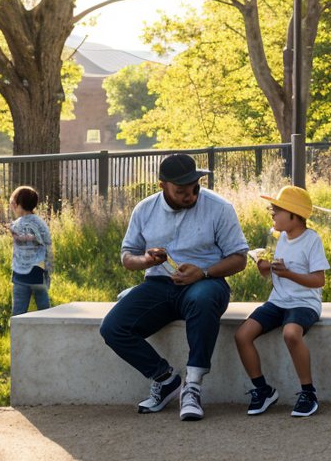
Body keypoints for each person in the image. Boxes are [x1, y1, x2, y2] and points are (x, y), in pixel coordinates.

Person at [101, 153, 252, 422]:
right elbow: (127, 257)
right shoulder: (144, 209)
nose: (191, 196)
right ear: (163, 185)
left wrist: (204, 272)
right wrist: (146, 260)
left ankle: (192, 388)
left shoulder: (219, 208)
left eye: (194, 188)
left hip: (207, 283)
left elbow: (239, 259)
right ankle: (165, 378)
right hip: (159, 284)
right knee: (112, 328)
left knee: (203, 299)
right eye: (181, 191)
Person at [235, 185, 331, 417]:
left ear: (294, 215)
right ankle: (263, 390)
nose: (272, 213)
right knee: (242, 335)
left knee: (290, 334)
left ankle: (308, 393)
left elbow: (319, 281)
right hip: (278, 302)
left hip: (304, 302)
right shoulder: (279, 238)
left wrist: (288, 274)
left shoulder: (311, 240)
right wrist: (264, 267)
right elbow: (271, 272)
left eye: (276, 209)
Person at [9, 185, 53, 316]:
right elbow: (48, 247)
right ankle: (48, 331)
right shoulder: (42, 224)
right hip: (38, 273)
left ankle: (18, 336)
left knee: (19, 311)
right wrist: (48, 270)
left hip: (21, 274)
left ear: (17, 204)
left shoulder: (17, 224)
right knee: (44, 308)